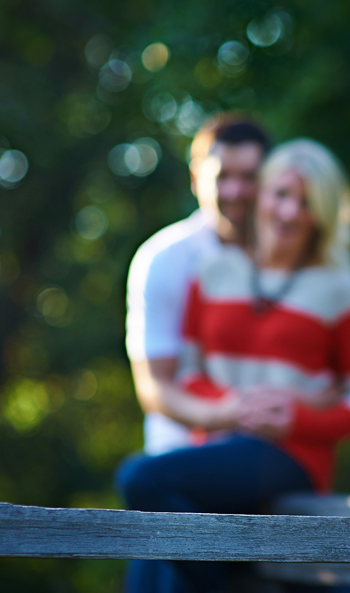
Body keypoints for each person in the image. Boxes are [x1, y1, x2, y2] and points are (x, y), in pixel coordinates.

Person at [117, 139, 350, 593]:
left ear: (324, 213)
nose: (289, 212)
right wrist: (236, 406)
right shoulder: (214, 270)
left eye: (306, 202)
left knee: (141, 478)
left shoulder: (343, 288)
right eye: (281, 195)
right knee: (154, 546)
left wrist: (297, 416)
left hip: (292, 455)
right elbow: (189, 374)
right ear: (262, 195)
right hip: (217, 445)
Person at [125, 114, 271, 456]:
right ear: (195, 178)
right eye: (222, 177)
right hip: (176, 457)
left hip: (273, 458)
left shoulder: (293, 260)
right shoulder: (161, 258)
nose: (235, 191)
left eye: (248, 177)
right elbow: (153, 385)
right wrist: (230, 416)